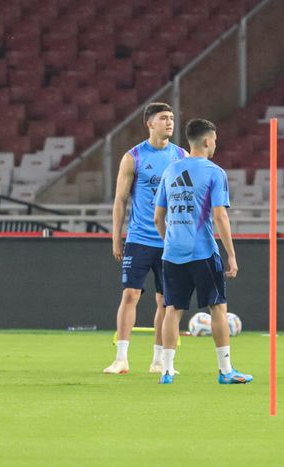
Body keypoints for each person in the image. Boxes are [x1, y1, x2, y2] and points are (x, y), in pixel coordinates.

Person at [153, 118, 252, 385]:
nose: (215, 144)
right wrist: (230, 253)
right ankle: (225, 371)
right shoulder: (214, 172)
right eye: (215, 140)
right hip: (203, 251)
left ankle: (167, 370)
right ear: (208, 141)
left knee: (172, 309)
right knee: (218, 307)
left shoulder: (170, 171)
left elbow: (157, 217)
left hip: (172, 252)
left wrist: (169, 240)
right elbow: (220, 216)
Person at [104, 102, 187, 375]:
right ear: (150, 123)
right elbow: (119, 200)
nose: (170, 122)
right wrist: (116, 238)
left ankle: (159, 360)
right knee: (130, 295)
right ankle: (121, 358)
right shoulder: (134, 157)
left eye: (172, 118)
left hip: (170, 241)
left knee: (166, 301)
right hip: (139, 238)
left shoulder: (181, 156)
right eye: (164, 118)